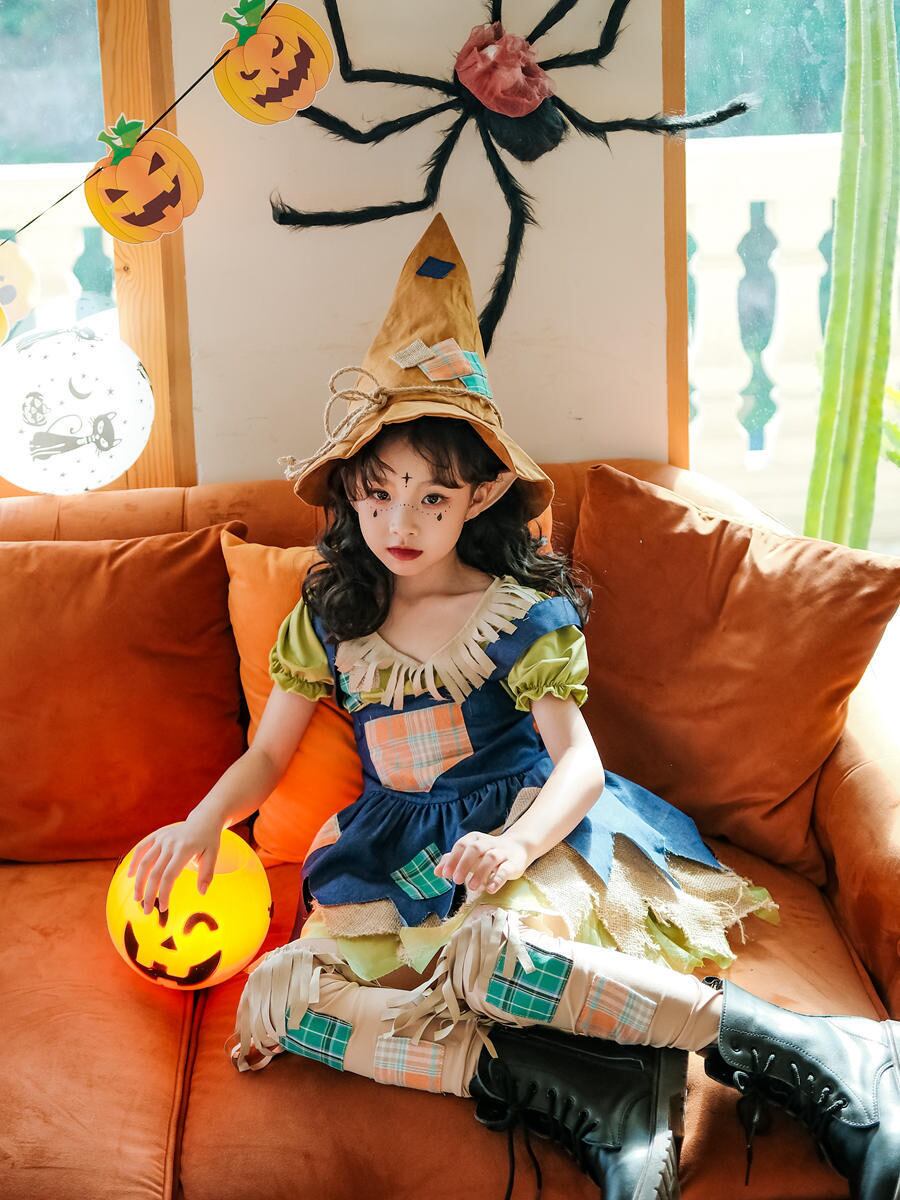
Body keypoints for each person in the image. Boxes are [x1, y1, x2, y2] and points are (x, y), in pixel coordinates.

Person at [128, 215, 899, 1200]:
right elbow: (268, 757)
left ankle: (807, 1046)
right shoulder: (329, 617)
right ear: (350, 491)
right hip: (395, 846)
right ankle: (586, 1091)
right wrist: (203, 821)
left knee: (488, 961)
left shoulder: (517, 615)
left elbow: (578, 762)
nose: (400, 523)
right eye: (378, 495)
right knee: (282, 1004)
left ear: (483, 494)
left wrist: (516, 847)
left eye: (432, 499)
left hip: (521, 829)